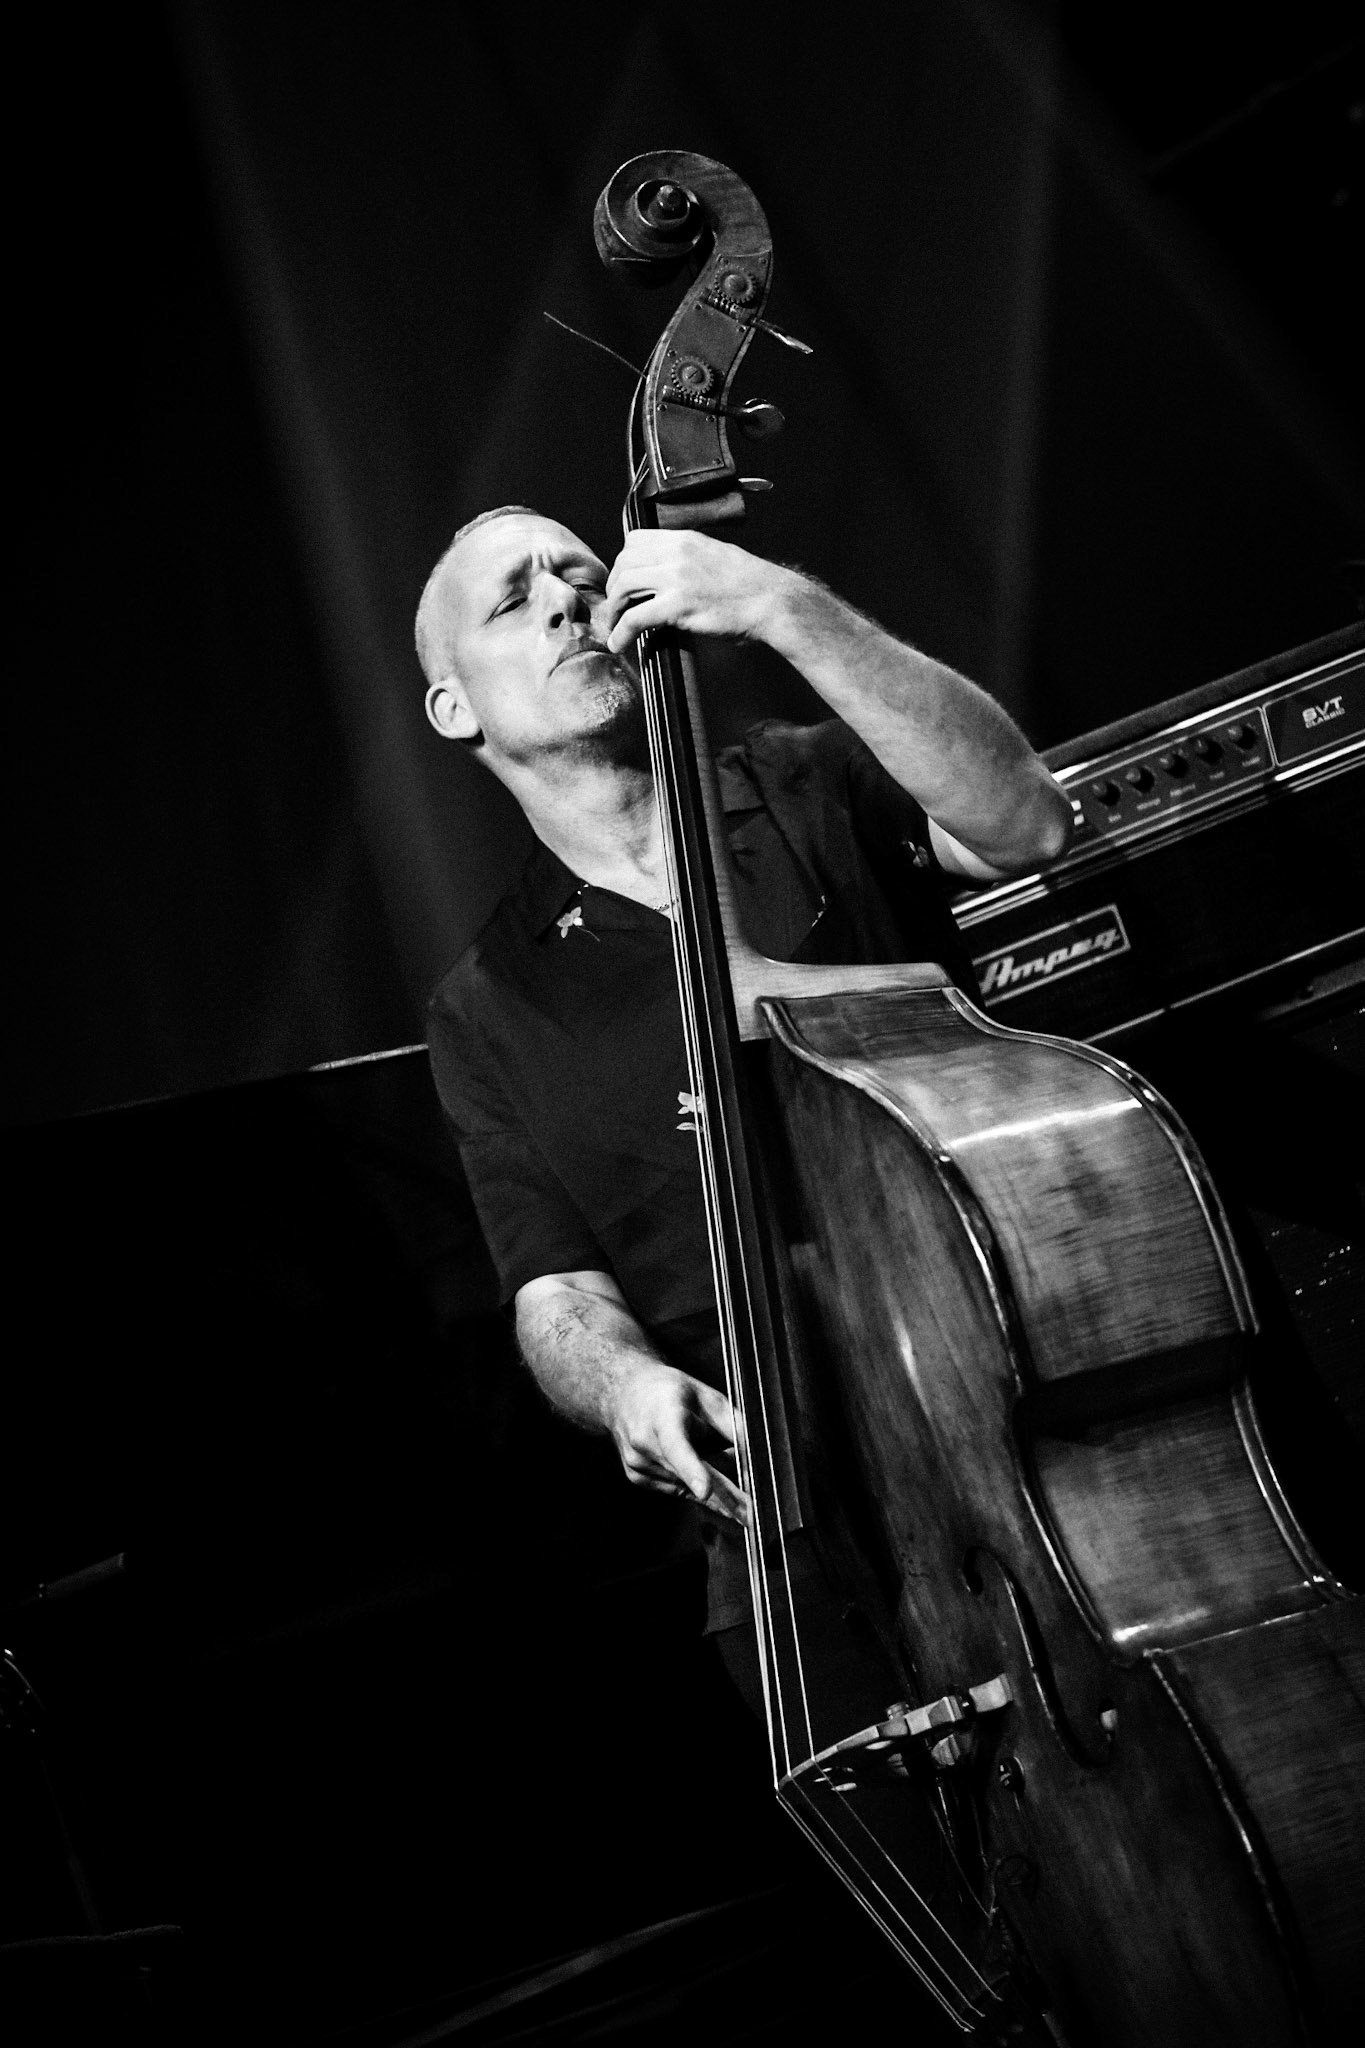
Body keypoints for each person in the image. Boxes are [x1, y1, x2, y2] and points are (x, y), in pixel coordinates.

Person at [418, 505, 1071, 1632]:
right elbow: (558, 1289)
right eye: (515, 598)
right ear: (454, 706)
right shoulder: (486, 1005)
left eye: (580, 570)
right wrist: (622, 1383)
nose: (568, 597)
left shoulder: (801, 782)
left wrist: (786, 606)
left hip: (1036, 1404)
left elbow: (1027, 825)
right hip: (793, 1525)